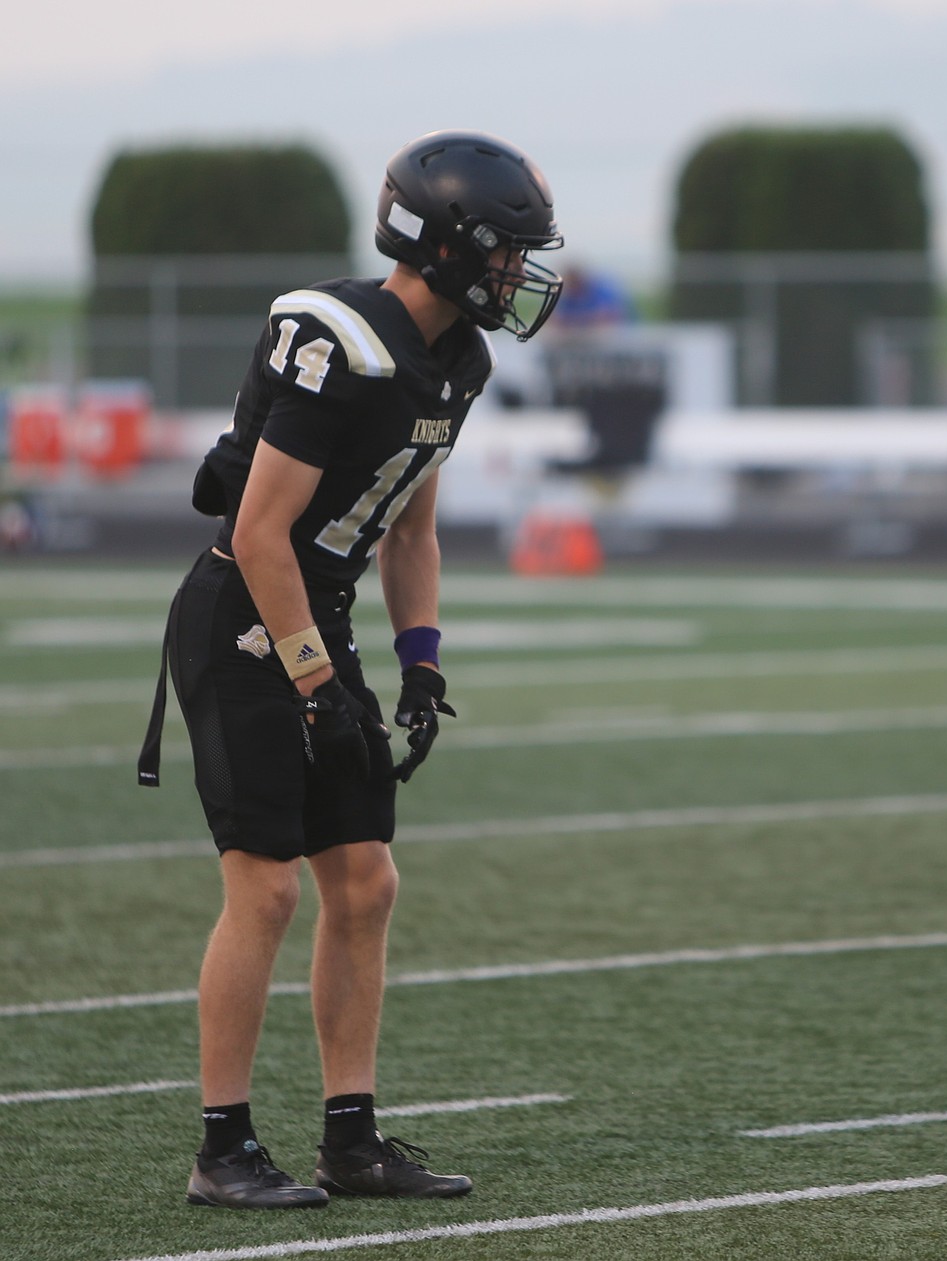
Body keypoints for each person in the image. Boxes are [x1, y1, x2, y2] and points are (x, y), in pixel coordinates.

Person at [137, 130, 564, 1209]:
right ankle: (222, 1147)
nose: (520, 274)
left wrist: (422, 659)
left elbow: (410, 528)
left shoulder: (455, 360)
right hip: (245, 614)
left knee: (366, 882)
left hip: (316, 617)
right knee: (268, 886)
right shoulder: (339, 341)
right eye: (509, 251)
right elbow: (261, 531)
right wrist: (316, 683)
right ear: (453, 246)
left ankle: (351, 1138)